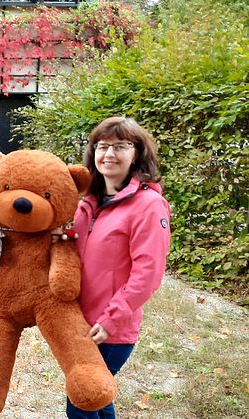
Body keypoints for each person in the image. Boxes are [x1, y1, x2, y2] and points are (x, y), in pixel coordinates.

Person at [68, 116, 171, 418]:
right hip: (79, 322)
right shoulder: (90, 200)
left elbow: (148, 273)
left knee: (80, 404)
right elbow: (81, 246)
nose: (109, 154)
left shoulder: (148, 205)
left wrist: (112, 319)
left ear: (137, 153)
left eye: (120, 146)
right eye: (102, 146)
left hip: (110, 330)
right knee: (97, 399)